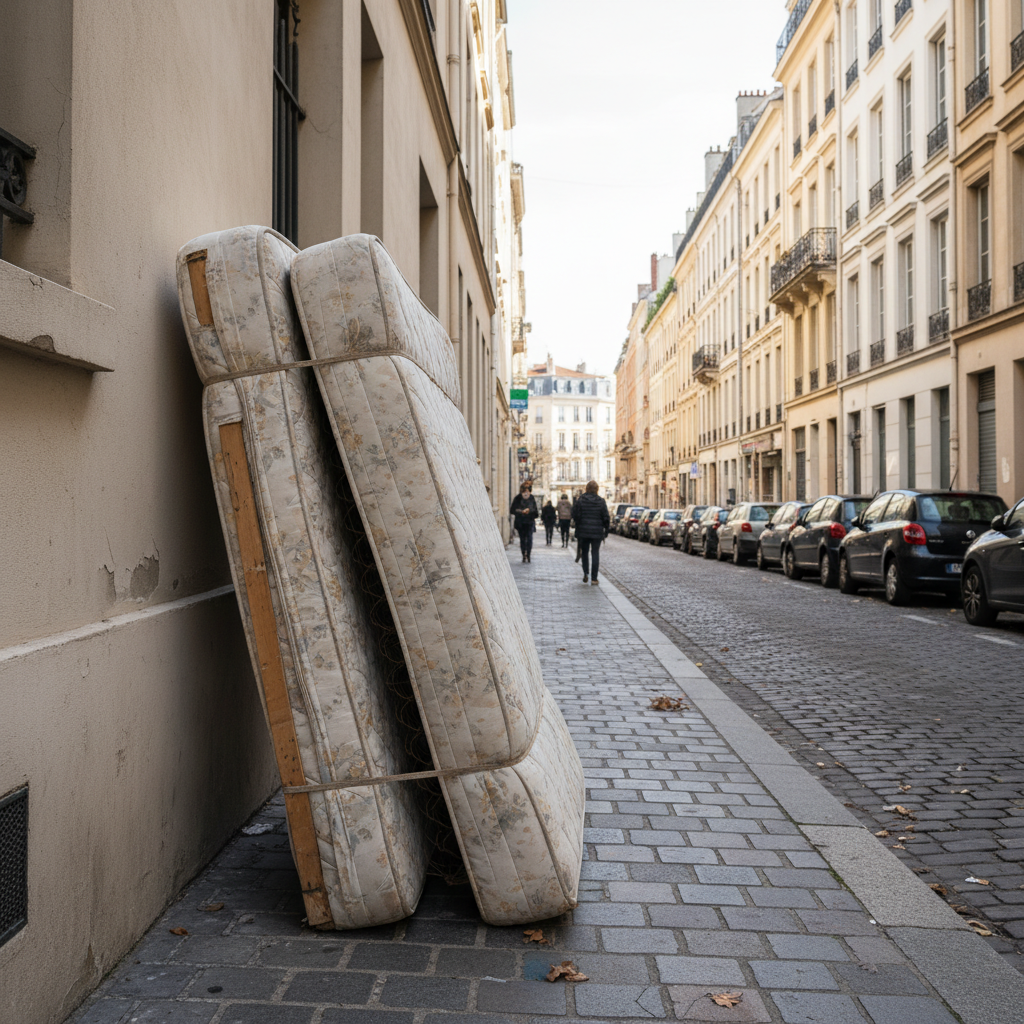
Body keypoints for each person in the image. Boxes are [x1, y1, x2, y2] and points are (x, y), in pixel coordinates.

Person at [572, 480, 610, 584]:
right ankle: (594, 578)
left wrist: (578, 524)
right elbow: (606, 517)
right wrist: (606, 530)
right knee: (595, 553)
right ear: (597, 489)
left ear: (587, 489)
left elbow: (575, 514)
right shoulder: (601, 501)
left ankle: (585, 573)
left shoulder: (581, 500)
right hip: (597, 531)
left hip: (583, 531)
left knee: (584, 552)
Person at [510, 484, 538, 562]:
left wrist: (529, 511)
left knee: (529, 539)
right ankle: (523, 554)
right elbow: (512, 510)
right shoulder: (518, 498)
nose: (526, 493)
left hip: (529, 522)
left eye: (528, 491)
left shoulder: (532, 498)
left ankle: (528, 554)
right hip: (521, 522)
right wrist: (521, 511)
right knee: (522, 539)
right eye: (524, 491)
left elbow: (536, 512)